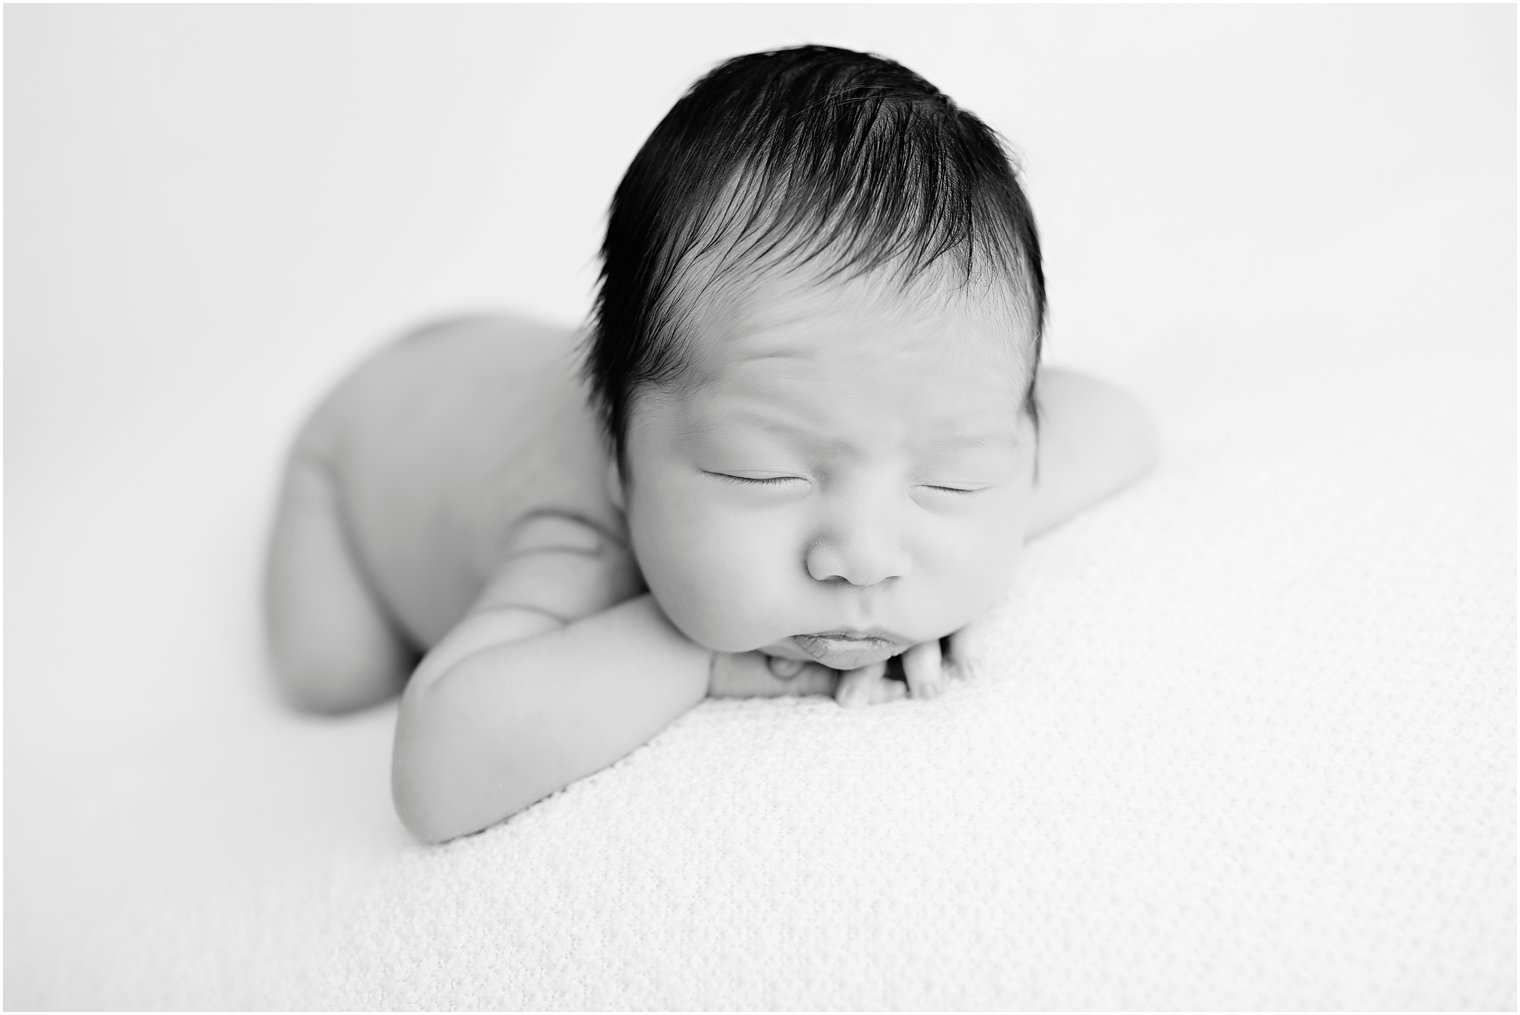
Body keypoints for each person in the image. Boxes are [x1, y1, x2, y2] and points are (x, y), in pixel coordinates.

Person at [262, 45, 1158, 843]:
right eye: (763, 472)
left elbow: (1117, 423)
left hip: (542, 358)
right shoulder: (581, 535)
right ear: (620, 465)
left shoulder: (885, 397)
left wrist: (973, 540)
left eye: (953, 476)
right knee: (334, 672)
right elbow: (439, 770)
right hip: (362, 438)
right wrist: (697, 652)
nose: (863, 554)